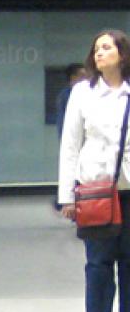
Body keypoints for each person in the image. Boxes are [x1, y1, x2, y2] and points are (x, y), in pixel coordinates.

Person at [58, 29, 130, 312]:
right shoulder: (82, 93)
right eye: (96, 48)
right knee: (99, 263)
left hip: (128, 188)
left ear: (123, 54)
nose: (100, 53)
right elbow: (70, 145)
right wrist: (67, 196)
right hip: (96, 189)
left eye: (107, 47)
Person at [54, 63, 87, 211]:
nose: (86, 77)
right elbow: (65, 125)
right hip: (76, 143)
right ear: (73, 78)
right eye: (82, 75)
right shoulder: (67, 95)